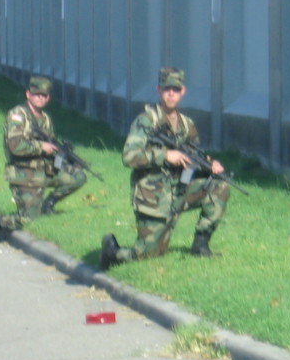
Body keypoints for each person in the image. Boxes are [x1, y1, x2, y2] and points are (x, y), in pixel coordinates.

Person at [99, 67, 231, 270]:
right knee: (147, 255)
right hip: (153, 197)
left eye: (176, 89)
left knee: (219, 186)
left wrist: (210, 166)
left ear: (183, 91)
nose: (171, 94)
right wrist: (165, 155)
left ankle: (200, 245)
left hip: (179, 190)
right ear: (159, 90)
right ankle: (111, 251)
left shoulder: (187, 125)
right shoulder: (146, 121)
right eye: (167, 89)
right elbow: (129, 156)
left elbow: (194, 159)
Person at [0, 76, 87, 244]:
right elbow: (15, 146)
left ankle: (48, 205)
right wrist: (40, 147)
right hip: (24, 174)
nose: (40, 98)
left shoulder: (45, 119)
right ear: (28, 94)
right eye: (37, 94)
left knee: (78, 176)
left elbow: (51, 147)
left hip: (44, 171)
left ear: (48, 98)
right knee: (28, 219)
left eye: (44, 95)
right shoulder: (17, 116)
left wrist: (66, 158)